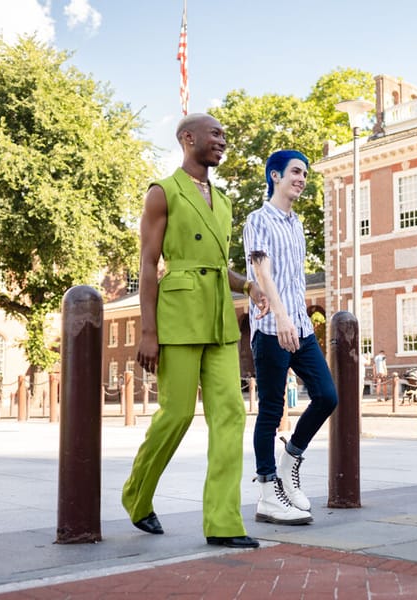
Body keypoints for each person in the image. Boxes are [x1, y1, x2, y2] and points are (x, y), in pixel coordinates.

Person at [122, 113, 264, 550]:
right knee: (178, 414)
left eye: (224, 134)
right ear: (188, 139)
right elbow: (147, 264)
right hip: (178, 315)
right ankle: (137, 495)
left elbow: (219, 265)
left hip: (220, 318)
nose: (223, 140)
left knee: (231, 414)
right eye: (215, 134)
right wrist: (149, 331)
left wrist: (248, 285)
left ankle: (223, 521)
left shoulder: (222, 201)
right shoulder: (162, 192)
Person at [244, 149, 339, 525]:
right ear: (275, 176)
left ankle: (289, 463)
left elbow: (294, 278)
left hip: (300, 326)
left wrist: (295, 319)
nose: (301, 178)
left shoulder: (297, 223)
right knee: (270, 408)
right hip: (271, 328)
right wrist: (280, 316)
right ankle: (268, 493)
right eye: (295, 172)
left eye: (304, 173)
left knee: (327, 395)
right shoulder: (258, 219)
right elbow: (262, 270)